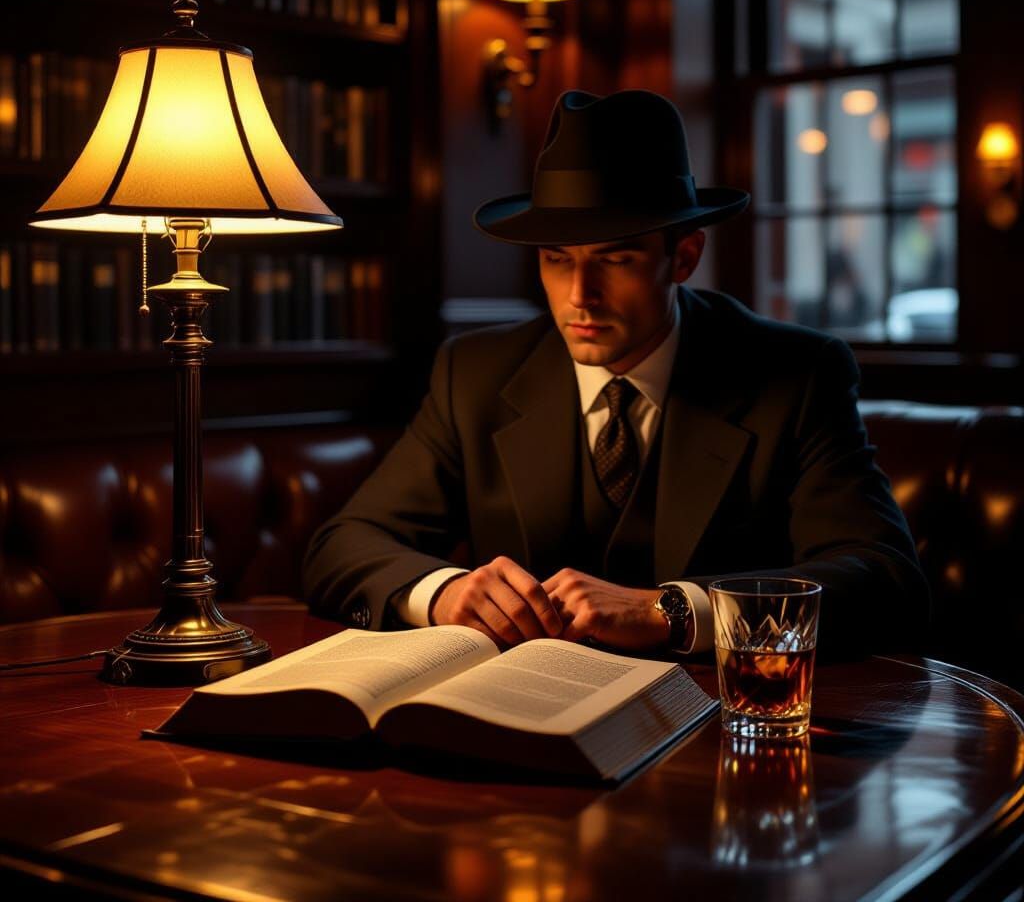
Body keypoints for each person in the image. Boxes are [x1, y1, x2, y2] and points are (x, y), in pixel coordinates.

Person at [302, 89, 930, 658]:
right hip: (526, 729)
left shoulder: (794, 374)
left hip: (715, 729)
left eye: (616, 259)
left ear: (683, 257)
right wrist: (444, 593)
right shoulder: (474, 374)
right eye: (556, 260)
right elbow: (345, 544)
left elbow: (884, 579)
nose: (580, 294)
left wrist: (675, 610)